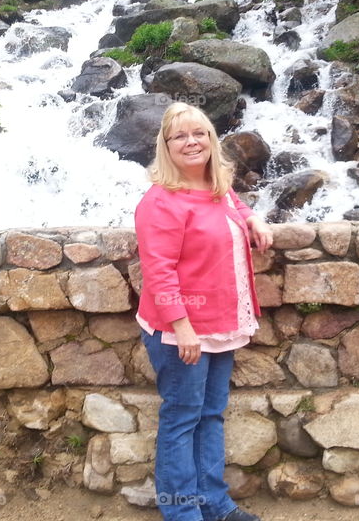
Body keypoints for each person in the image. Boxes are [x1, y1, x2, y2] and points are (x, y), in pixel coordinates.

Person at [135, 102, 273, 521]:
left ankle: (215, 505)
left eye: (199, 133)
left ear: (211, 140)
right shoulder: (160, 203)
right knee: (181, 419)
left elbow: (234, 206)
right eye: (180, 136)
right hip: (182, 329)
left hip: (219, 323)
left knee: (209, 414)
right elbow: (158, 272)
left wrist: (256, 219)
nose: (191, 141)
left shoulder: (217, 186)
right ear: (166, 146)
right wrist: (182, 325)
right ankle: (181, 512)